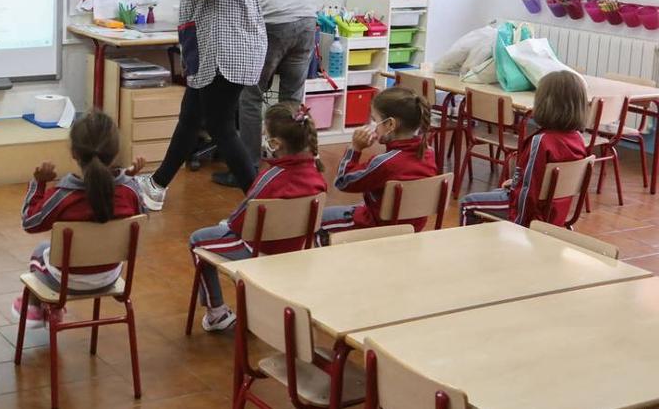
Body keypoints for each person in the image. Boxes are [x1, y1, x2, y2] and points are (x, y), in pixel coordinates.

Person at [135, 0, 267, 211]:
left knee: (220, 126)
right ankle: (157, 185)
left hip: (227, 51)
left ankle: (261, 204)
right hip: (221, 50)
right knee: (191, 117)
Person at [187, 103, 326, 331]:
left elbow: (240, 224)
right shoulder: (317, 175)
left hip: (261, 249)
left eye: (266, 135)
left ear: (275, 143)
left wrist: (227, 224)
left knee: (197, 240)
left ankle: (217, 313)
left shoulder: (271, 177)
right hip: (297, 249)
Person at [14, 112, 145, 326]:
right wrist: (128, 177)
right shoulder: (129, 191)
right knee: (52, 249)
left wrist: (38, 184)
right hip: (110, 276)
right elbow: (141, 216)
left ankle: (39, 309)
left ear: (74, 152)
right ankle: (46, 309)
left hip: (65, 283)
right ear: (116, 151)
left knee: (41, 251)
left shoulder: (63, 195)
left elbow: (30, 222)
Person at [213, 0, 318, 188]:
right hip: (307, 23)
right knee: (292, 103)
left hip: (274, 25)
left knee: (250, 95)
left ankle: (246, 170)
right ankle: (295, 164)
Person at [459, 71, 590, 226]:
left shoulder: (541, 141)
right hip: (555, 210)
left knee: (468, 204)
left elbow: (528, 192)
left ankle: (468, 249)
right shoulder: (578, 139)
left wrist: (520, 225)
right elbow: (538, 181)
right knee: (495, 194)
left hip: (531, 212)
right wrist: (516, 182)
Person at [319, 87, 438, 240]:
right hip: (413, 227)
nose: (374, 127)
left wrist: (355, 148)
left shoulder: (385, 163)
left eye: (375, 121)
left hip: (377, 226)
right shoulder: (429, 153)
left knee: (317, 220)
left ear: (390, 125)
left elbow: (343, 182)